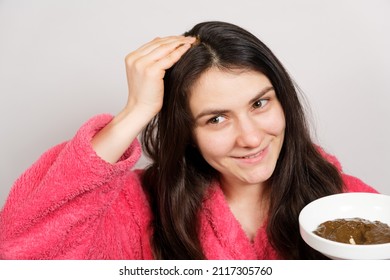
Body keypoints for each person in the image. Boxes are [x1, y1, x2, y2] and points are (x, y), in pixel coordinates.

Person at [0, 21, 377, 260]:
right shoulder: (136, 209)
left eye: (259, 103)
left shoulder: (347, 205)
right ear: (188, 134)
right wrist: (136, 111)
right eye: (216, 119)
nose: (250, 137)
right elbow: (23, 256)